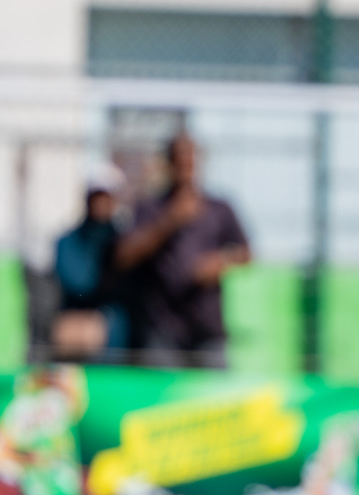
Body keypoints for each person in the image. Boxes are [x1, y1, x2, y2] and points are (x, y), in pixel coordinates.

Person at [114, 134, 250, 368]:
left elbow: (246, 252)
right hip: (162, 328)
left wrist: (221, 261)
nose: (185, 169)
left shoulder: (219, 208)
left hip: (207, 329)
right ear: (168, 164)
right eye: (179, 162)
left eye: (190, 162)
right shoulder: (149, 208)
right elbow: (124, 256)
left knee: (214, 400)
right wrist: (170, 221)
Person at [51, 173, 128, 360]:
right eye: (97, 197)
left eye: (107, 198)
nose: (101, 203)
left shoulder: (125, 241)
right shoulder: (68, 241)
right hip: (76, 324)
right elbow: (78, 285)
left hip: (115, 335)